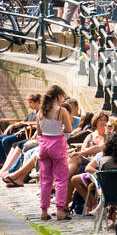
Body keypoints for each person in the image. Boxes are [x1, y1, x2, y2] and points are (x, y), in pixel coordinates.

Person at [36, 86, 74, 220]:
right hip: (57, 144)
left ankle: (44, 211)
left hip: (43, 145)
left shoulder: (40, 112)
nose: (63, 99)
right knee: (61, 179)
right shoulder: (61, 111)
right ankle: (59, 210)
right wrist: (60, 127)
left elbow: (39, 132)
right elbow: (69, 129)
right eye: (62, 96)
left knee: (45, 180)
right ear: (58, 96)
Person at [0, 92, 42, 170]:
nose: (29, 105)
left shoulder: (41, 113)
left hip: (27, 135)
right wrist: (13, 125)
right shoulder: (32, 114)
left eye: (31, 102)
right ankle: (2, 162)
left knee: (5, 140)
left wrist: (22, 130)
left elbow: (37, 125)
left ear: (37, 102)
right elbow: (23, 122)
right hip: (21, 132)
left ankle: (12, 163)